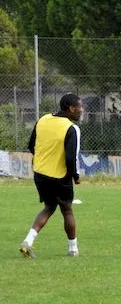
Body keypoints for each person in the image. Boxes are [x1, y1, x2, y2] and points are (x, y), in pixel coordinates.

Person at [19, 93, 83, 258]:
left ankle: (28, 241)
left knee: (49, 207)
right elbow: (71, 158)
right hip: (60, 176)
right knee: (67, 210)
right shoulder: (71, 128)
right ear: (71, 108)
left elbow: (31, 145)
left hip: (40, 173)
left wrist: (43, 160)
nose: (81, 110)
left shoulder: (43, 119)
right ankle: (73, 249)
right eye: (79, 107)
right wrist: (75, 176)